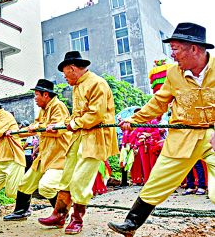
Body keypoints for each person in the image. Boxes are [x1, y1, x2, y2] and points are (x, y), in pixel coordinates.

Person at [108, 22, 215, 236]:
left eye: (175, 49)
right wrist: (135, 119)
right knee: (159, 178)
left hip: (212, 133)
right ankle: (131, 223)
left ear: (193, 48)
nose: (172, 55)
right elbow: (159, 102)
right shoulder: (173, 74)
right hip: (183, 135)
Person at [38, 51, 118, 234]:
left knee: (79, 180)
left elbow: (95, 115)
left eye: (65, 73)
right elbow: (76, 117)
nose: (64, 77)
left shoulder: (97, 83)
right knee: (66, 177)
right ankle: (59, 214)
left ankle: (77, 219)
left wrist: (72, 124)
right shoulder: (77, 87)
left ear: (72, 68)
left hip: (95, 138)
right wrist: (61, 126)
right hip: (79, 137)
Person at [4, 79, 72, 221]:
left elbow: (57, 129)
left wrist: (38, 127)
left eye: (36, 95)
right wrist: (15, 132)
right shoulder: (43, 110)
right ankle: (21, 211)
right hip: (45, 156)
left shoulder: (58, 106)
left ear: (45, 95)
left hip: (59, 155)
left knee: (47, 186)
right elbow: (34, 128)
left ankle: (61, 214)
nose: (35, 98)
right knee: (25, 183)